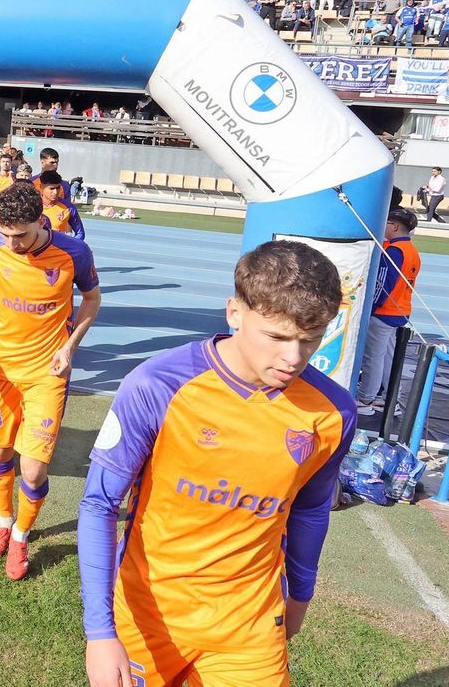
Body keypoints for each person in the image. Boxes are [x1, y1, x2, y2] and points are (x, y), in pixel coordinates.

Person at [80, 240, 356, 687]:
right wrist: (99, 632)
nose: (294, 357)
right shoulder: (158, 385)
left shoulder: (334, 411)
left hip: (249, 626)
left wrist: (301, 594)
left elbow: (309, 508)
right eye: (278, 337)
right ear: (234, 313)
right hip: (147, 614)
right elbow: (99, 504)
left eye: (310, 340)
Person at [0, 182, 101, 579]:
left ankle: (22, 536)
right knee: (0, 455)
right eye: (4, 233)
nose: (11, 243)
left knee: (33, 471)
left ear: (40, 221)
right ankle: (5, 523)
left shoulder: (74, 251)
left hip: (47, 375)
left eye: (19, 235)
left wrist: (70, 347)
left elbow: (93, 300)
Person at [357, 208, 421, 414]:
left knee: (373, 357)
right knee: (388, 357)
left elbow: (383, 284)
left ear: (394, 226)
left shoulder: (394, 251)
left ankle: (366, 399)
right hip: (401, 310)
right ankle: (389, 398)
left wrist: (371, 308)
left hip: (385, 311)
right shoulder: (412, 251)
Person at [36, 171, 85, 239]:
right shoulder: (33, 205)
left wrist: (71, 246)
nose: (55, 192)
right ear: (42, 187)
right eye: (52, 188)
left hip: (57, 248)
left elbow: (80, 233)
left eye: (58, 188)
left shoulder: (68, 207)